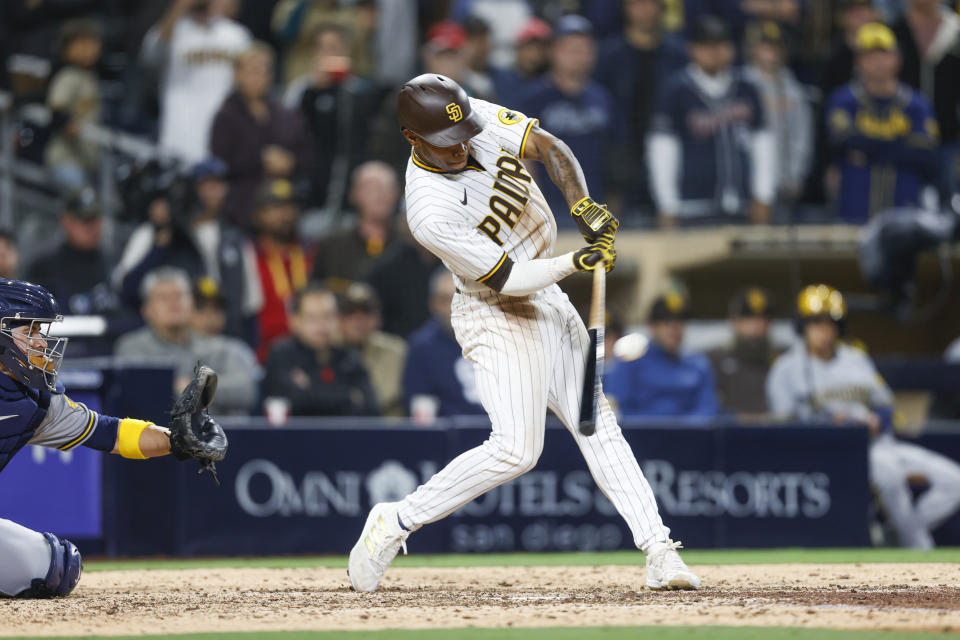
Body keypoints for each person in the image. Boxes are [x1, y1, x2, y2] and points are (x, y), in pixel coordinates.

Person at [347, 74, 699, 593]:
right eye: (446, 143)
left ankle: (659, 550)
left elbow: (550, 147)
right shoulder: (427, 209)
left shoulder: (465, 116)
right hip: (495, 309)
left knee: (595, 420)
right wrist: (576, 261)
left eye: (463, 131)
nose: (461, 144)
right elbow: (508, 278)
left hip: (548, 290)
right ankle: (395, 521)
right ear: (411, 138)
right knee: (516, 450)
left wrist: (581, 206)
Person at [0, 278, 225, 598]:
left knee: (58, 566)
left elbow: (112, 433)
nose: (40, 342)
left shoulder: (35, 401)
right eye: (30, 331)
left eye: (41, 331)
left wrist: (177, 439)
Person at [766, 284, 960, 549]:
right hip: (839, 452)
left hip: (878, 443)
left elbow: (886, 404)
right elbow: (785, 425)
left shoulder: (855, 358)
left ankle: (895, 534)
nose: (824, 329)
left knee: (954, 481)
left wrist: (877, 419)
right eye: (815, 322)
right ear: (802, 326)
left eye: (830, 322)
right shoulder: (786, 368)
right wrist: (834, 423)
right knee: (889, 476)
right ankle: (920, 547)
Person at [113, 158, 262, 345]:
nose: (212, 193)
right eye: (206, 186)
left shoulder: (235, 238)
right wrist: (158, 247)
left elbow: (250, 307)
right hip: (166, 341)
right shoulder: (152, 233)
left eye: (218, 184)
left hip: (224, 340)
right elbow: (126, 289)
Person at [647, 15, 775, 226]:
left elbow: (763, 144)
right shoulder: (676, 91)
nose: (715, 52)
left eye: (721, 45)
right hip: (691, 208)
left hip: (742, 208)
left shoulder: (747, 88)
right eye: (707, 45)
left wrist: (763, 195)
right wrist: (667, 204)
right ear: (693, 49)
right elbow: (662, 150)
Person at [825, 23, 939, 223]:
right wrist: (902, 145)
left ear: (897, 59)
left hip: (904, 212)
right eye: (870, 56)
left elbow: (926, 154)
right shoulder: (844, 99)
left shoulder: (916, 104)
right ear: (858, 62)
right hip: (854, 209)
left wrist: (867, 152)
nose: (878, 61)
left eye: (884, 54)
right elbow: (841, 142)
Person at [517, 15, 622, 227]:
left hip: (596, 211)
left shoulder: (603, 98)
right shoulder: (532, 99)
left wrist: (614, 207)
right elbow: (522, 159)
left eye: (585, 49)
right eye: (570, 49)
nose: (578, 56)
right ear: (553, 52)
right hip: (551, 214)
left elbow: (616, 157)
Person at [114, 267, 259, 416]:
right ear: (147, 310)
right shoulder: (132, 347)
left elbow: (247, 391)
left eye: (179, 296)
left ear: (191, 304)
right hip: (159, 434)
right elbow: (140, 395)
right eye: (163, 297)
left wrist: (194, 388)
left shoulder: (221, 348)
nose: (173, 303)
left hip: (217, 435)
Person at [595, 0, 687, 216]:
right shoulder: (608, 56)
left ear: (661, 8)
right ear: (626, 8)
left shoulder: (678, 54)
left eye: (651, 3)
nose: (645, 10)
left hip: (672, 156)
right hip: (621, 161)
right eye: (637, 3)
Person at [210, 42, 313, 230]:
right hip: (244, 200)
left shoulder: (286, 113)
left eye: (264, 70)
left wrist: (291, 162)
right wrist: (260, 160)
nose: (259, 77)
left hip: (286, 195)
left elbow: (307, 152)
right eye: (252, 71)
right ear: (237, 75)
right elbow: (220, 162)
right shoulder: (226, 115)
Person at [141, 0, 252, 164]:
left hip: (225, 131)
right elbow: (151, 56)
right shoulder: (172, 30)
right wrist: (178, 7)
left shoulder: (235, 34)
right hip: (180, 133)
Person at [284, 23, 378, 212]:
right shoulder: (301, 89)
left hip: (349, 187)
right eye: (323, 48)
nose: (329, 54)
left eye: (335, 48)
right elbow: (290, 135)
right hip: (311, 186)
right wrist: (314, 91)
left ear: (347, 52)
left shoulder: (361, 90)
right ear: (313, 53)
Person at [262, 284, 377, 417]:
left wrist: (310, 389)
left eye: (328, 316)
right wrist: (348, 396)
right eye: (312, 318)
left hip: (344, 436)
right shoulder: (281, 355)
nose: (322, 325)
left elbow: (370, 408)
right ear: (295, 321)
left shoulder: (350, 359)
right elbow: (292, 402)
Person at [605, 293, 720, 419]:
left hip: (689, 436)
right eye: (666, 321)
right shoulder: (630, 361)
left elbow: (707, 410)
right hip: (639, 436)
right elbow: (618, 411)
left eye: (681, 321)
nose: (675, 328)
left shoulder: (698, 365)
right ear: (651, 326)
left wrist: (680, 430)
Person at [892, 0, 960, 198]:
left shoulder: (954, 29)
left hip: (948, 135)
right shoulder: (895, 30)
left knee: (950, 207)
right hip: (904, 136)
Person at [743, 22, 813, 211]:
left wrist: (795, 176)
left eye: (775, 47)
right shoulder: (740, 85)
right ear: (753, 49)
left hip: (782, 182)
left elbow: (801, 137)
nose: (770, 52)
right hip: (746, 183)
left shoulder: (793, 90)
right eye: (764, 46)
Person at [404, 271, 485, 423]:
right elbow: (422, 418)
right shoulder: (422, 348)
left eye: (462, 298)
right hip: (451, 440)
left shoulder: (499, 337)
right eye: (446, 300)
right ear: (433, 304)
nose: (455, 307)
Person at [25, 188, 117, 316]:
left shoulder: (113, 262)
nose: (92, 227)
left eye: (95, 219)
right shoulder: (44, 268)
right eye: (85, 220)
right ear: (66, 221)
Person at [251, 179, 313, 362]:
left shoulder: (310, 252)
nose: (284, 214)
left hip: (310, 353)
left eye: (289, 207)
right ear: (258, 214)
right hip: (263, 355)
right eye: (275, 208)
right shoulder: (248, 255)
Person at [311, 161, 399, 283]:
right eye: (372, 188)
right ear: (354, 194)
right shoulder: (332, 245)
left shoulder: (409, 246)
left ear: (396, 195)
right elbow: (315, 291)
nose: (381, 195)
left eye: (388, 188)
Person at [44, 19, 103, 190]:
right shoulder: (67, 75)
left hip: (87, 162)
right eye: (84, 43)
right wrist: (68, 125)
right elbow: (57, 110)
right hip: (66, 160)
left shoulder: (90, 77)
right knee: (80, 210)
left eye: (93, 42)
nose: (92, 48)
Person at [337, 281, 406, 417]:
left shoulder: (396, 351)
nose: (358, 319)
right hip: (338, 428)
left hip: (385, 429)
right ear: (338, 318)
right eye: (350, 312)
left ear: (378, 318)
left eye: (366, 311)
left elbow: (388, 398)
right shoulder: (326, 349)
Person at [707, 287, 779, 417]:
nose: (756, 324)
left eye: (763, 318)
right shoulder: (716, 359)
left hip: (774, 431)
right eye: (748, 317)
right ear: (734, 321)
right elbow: (707, 406)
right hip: (730, 432)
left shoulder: (780, 359)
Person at [490, 17, 552, 105]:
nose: (534, 55)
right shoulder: (498, 76)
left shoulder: (549, 82)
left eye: (539, 49)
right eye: (529, 48)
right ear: (518, 48)